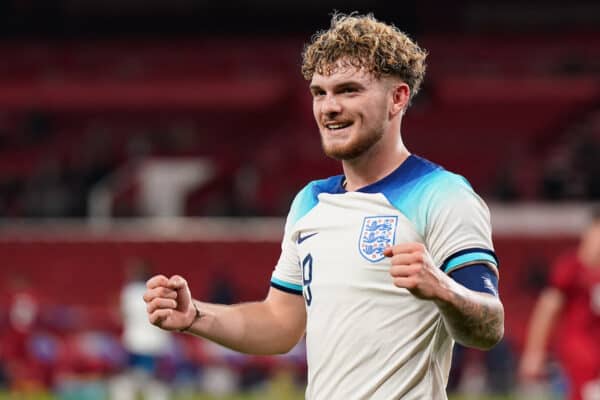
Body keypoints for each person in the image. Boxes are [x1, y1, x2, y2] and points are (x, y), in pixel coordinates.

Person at [143, 13, 504, 399]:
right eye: (320, 92)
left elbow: (489, 327)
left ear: (397, 98)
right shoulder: (310, 202)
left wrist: (444, 290)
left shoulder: (442, 194)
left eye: (349, 90)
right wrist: (195, 315)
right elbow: (280, 324)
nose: (328, 107)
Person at [519, 209, 600, 400]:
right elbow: (547, 309)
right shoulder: (570, 268)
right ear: (590, 232)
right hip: (581, 359)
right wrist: (534, 353)